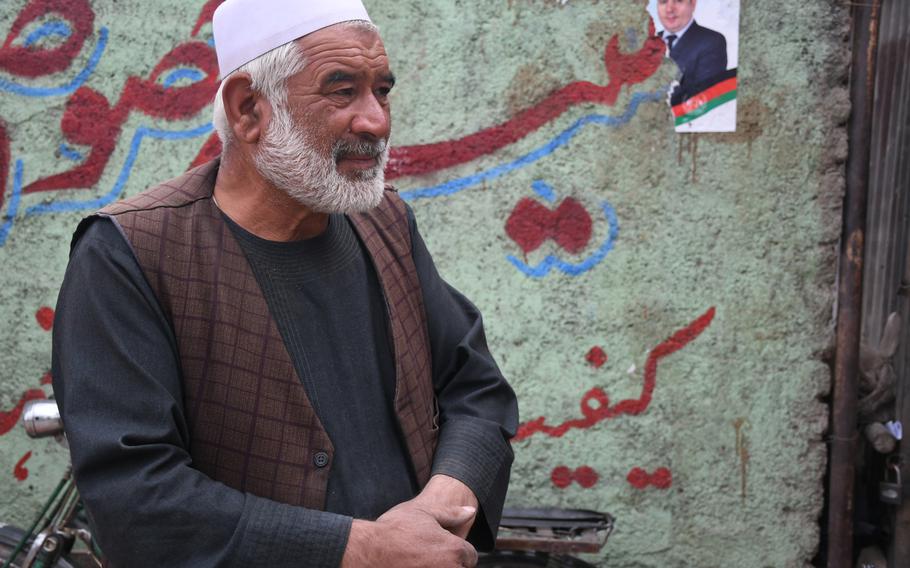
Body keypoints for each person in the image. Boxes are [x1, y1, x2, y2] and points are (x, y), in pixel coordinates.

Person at [50, 0, 518, 566]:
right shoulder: (129, 255)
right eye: (342, 91)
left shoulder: (386, 222)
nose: (376, 120)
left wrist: (441, 504)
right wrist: (365, 549)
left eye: (382, 91)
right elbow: (138, 497)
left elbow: (476, 391)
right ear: (248, 108)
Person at [657, 0, 727, 99]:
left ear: (693, 4)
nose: (669, 9)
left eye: (678, 1)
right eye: (663, 1)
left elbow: (704, 98)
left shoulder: (711, 41)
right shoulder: (647, 42)